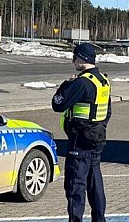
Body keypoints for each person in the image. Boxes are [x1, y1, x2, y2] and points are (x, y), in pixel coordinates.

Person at [52, 43, 112, 222]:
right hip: (97, 136)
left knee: (75, 185)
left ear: (82, 58)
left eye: (74, 57)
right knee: (95, 184)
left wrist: (65, 85)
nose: (73, 61)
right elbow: (107, 111)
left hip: (80, 139)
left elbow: (57, 104)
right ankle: (99, 219)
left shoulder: (81, 82)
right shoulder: (102, 81)